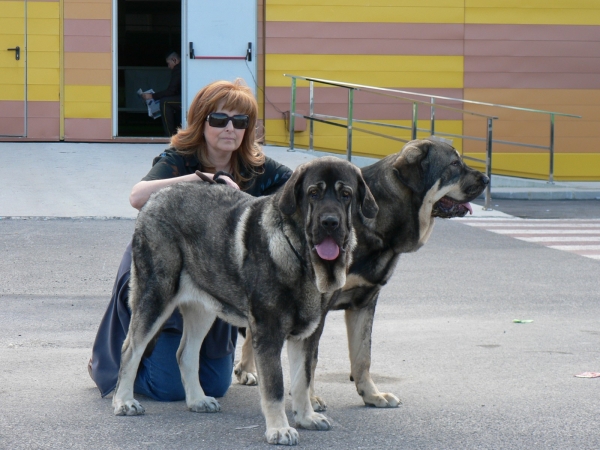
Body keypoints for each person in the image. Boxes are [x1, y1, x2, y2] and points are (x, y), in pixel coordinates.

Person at [89, 78, 293, 402]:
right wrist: (202, 180)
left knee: (215, 387)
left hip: (218, 278)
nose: (230, 128)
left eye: (240, 121)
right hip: (165, 261)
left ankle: (181, 365)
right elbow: (137, 196)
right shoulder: (181, 156)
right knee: (167, 387)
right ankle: (119, 367)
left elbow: (299, 189)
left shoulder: (257, 166)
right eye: (219, 119)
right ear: (202, 120)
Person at [141, 51, 182, 136]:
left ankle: (169, 135)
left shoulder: (178, 69)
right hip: (186, 97)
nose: (168, 67)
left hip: (188, 99)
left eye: (168, 63)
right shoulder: (181, 67)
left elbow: (171, 91)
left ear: (174, 60)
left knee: (165, 102)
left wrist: (152, 96)